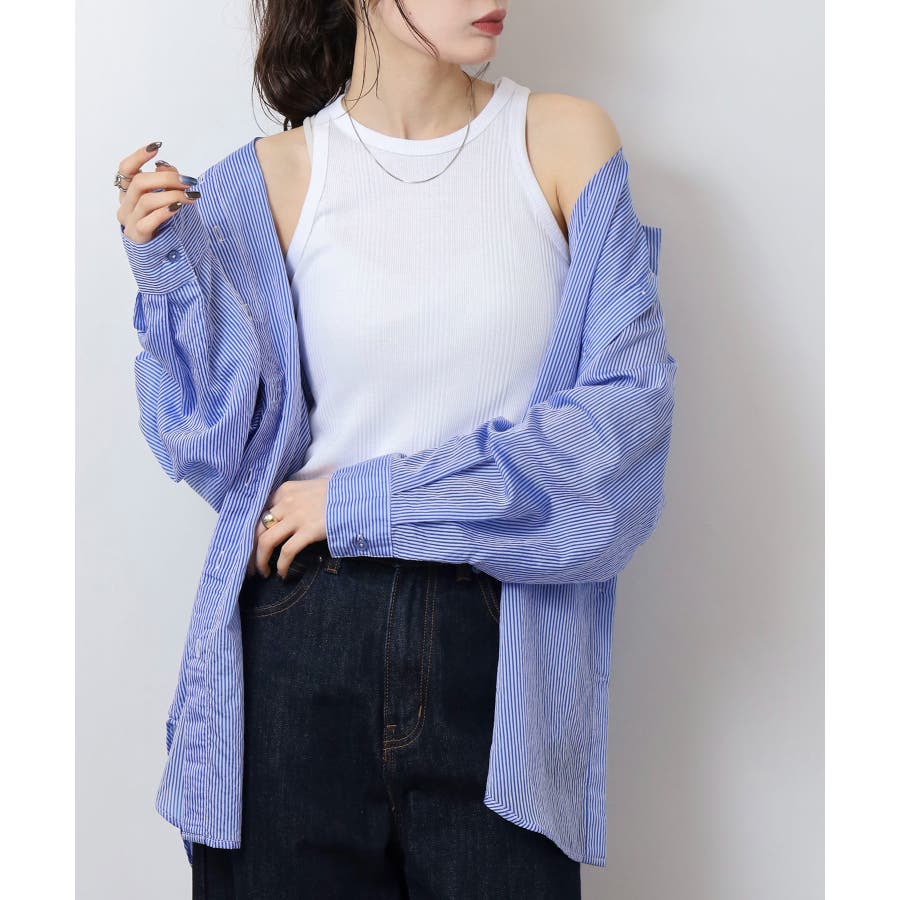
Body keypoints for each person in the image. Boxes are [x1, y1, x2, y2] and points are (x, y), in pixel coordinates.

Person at [115, 1, 677, 897]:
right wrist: (170, 275)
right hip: (302, 637)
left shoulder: (564, 142)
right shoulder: (267, 179)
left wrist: (363, 499)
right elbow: (221, 457)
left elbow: (618, 441)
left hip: (501, 650)